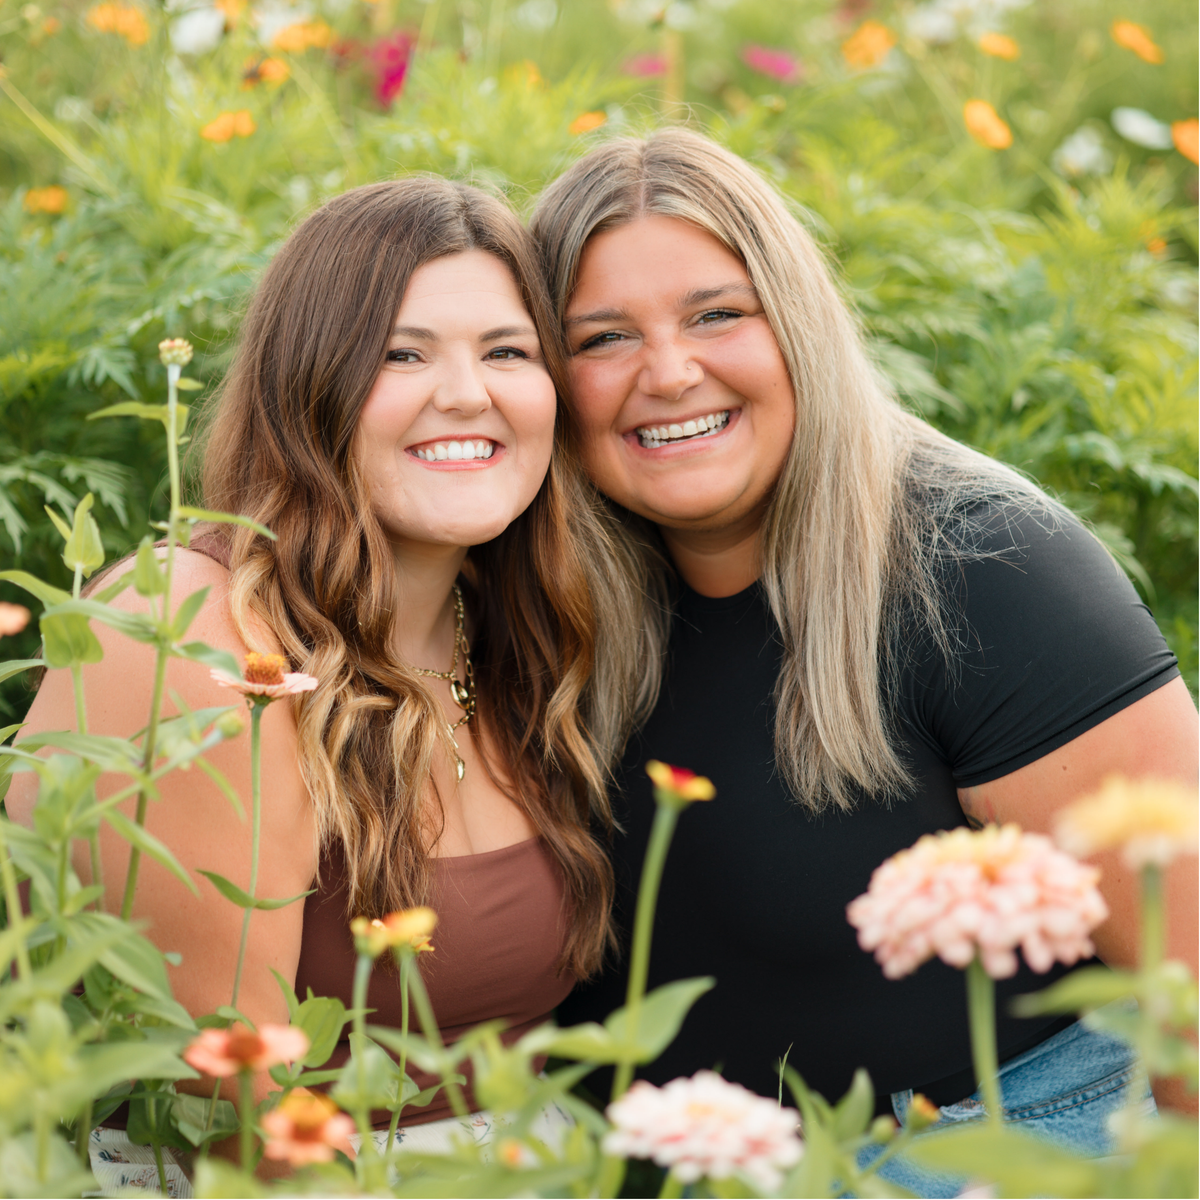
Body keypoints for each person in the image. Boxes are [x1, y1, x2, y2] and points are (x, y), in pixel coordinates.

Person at [530, 129, 1198, 1196]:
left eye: (717, 314)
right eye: (601, 337)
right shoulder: (541, 594)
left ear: (797, 321)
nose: (668, 372)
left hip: (972, 1157)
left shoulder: (985, 571)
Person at [9, 177, 657, 1193]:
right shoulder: (193, 626)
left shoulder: (514, 629)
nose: (467, 393)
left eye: (507, 351)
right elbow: (228, 1113)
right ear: (309, 383)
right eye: (402, 354)